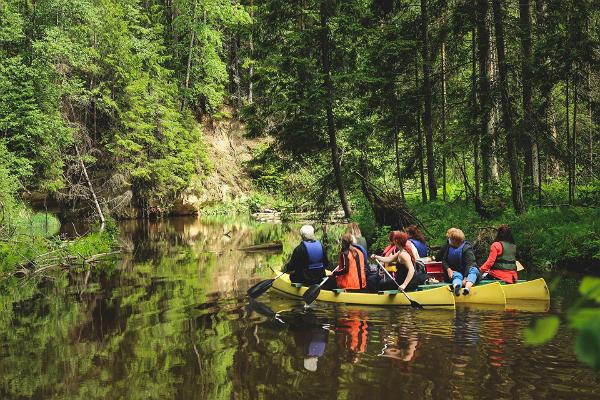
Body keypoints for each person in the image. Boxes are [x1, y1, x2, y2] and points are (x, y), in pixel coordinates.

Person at [436, 228, 480, 296]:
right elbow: (443, 260)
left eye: (449, 238)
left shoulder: (466, 248)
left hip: (466, 272)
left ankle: (466, 288)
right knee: (456, 275)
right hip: (455, 272)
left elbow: (470, 263)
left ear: (454, 240)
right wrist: (448, 269)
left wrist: (465, 278)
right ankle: (457, 287)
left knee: (474, 270)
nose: (448, 240)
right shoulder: (447, 247)